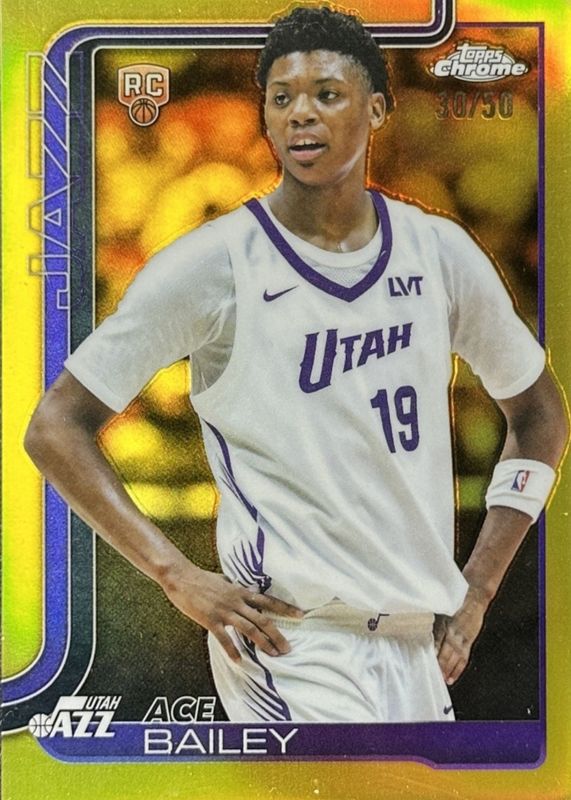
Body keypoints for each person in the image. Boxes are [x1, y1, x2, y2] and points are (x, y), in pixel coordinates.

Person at [25, 6, 567, 723]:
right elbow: (55, 426)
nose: (301, 114)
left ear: (378, 109)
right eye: (282, 97)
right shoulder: (211, 262)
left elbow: (539, 414)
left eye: (327, 94)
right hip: (291, 640)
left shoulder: (439, 251)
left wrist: (480, 588)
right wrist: (175, 575)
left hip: (414, 641)